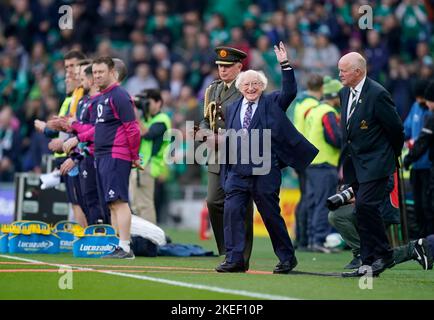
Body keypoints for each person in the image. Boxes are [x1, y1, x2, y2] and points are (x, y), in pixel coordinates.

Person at [216, 42, 318, 273]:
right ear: (240, 87)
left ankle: (287, 258)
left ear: (262, 87)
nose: (251, 88)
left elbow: (290, 91)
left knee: (271, 217)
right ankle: (234, 259)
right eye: (247, 84)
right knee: (232, 214)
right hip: (237, 173)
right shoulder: (231, 108)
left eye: (256, 84)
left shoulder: (272, 102)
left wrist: (285, 64)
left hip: (265, 173)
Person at [338, 52, 405, 277]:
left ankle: (384, 254)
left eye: (343, 70)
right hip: (355, 165)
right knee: (361, 209)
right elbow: (347, 133)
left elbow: (396, 129)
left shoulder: (377, 93)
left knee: (365, 206)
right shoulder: (344, 93)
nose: (340, 74)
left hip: (377, 163)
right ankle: (367, 262)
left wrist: (390, 156)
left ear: (358, 71)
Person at [198, 46, 254, 270]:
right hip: (217, 155)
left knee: (241, 207)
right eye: (220, 66)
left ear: (239, 67)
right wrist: (204, 133)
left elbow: (251, 121)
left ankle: (240, 256)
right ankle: (228, 250)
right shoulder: (213, 89)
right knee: (213, 201)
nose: (222, 70)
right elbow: (205, 119)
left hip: (240, 154)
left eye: (228, 66)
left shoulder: (247, 89)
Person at [92, 56, 142, 259]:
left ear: (112, 72)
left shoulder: (119, 95)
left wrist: (134, 156)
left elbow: (133, 129)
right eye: (94, 72)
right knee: (112, 203)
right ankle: (117, 245)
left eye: (101, 72)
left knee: (119, 201)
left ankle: (126, 247)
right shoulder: (103, 97)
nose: (97, 76)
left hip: (116, 155)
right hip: (103, 155)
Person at [329, 175, 433, 271]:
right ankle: (413, 249)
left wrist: (359, 195)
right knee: (377, 253)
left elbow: (387, 185)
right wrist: (347, 190)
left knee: (378, 254)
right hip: (367, 207)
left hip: (382, 209)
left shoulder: (379, 157)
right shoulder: (362, 159)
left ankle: (412, 249)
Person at [304, 77, 343, 253]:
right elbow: (334, 138)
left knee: (314, 202)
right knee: (323, 203)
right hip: (325, 163)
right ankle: (319, 239)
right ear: (334, 95)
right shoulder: (328, 111)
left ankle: (313, 239)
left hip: (312, 163)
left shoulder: (314, 110)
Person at [290, 74, 323, 250]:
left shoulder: (300, 104)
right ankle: (305, 238)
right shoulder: (314, 106)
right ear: (322, 88)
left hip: (299, 155)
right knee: (309, 199)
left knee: (304, 198)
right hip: (310, 156)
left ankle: (300, 238)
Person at [129, 89, 171, 224]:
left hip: (150, 166)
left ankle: (149, 238)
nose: (146, 105)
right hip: (139, 165)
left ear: (158, 103)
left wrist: (135, 116)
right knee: (135, 204)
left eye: (149, 102)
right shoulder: (146, 119)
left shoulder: (162, 120)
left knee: (145, 204)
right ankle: (140, 237)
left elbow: (147, 134)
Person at [404, 80, 434, 237]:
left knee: (429, 207)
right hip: (416, 166)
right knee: (419, 208)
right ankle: (423, 243)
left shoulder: (430, 115)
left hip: (429, 167)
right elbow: (406, 130)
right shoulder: (415, 108)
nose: (418, 101)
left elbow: (423, 141)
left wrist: (409, 157)